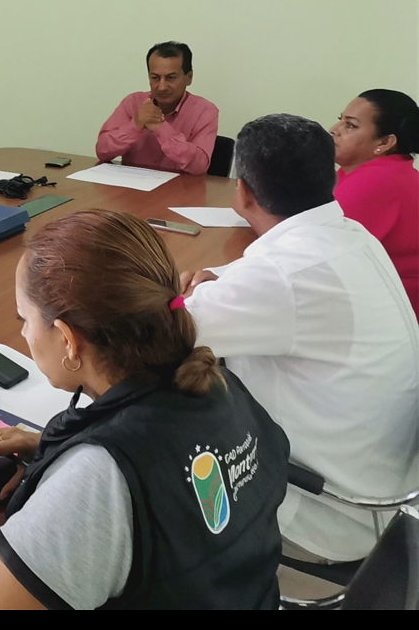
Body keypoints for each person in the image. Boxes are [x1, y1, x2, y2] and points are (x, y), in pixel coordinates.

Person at [0, 209, 289, 609]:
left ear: (68, 340)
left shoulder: (98, 480)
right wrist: (50, 448)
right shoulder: (214, 381)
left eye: (24, 319)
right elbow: (166, 476)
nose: (23, 333)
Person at [180, 114, 419, 570]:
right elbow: (280, 284)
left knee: (145, 457)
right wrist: (221, 279)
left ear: (243, 192)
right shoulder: (351, 235)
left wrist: (196, 294)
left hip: (323, 513)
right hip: (385, 493)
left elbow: (162, 330)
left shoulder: (279, 275)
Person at [332, 89, 419, 316]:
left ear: (385, 142)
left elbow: (312, 248)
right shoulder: (379, 170)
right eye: (340, 120)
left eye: (350, 125)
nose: (334, 130)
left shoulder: (377, 180)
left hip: (394, 314)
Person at [95, 42, 219, 177]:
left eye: (171, 78)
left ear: (188, 77)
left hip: (180, 188)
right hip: (133, 186)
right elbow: (102, 151)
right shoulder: (133, 103)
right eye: (155, 78)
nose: (162, 87)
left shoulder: (205, 112)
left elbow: (199, 166)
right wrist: (135, 125)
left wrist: (161, 128)